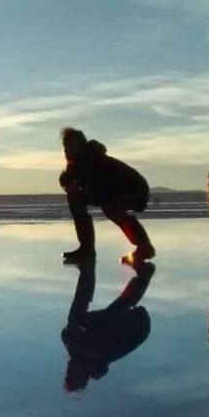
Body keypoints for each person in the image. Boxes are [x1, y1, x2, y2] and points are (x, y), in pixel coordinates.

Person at [59, 127, 155, 265]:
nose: (67, 150)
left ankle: (144, 247)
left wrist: (78, 185)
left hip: (134, 189)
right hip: (111, 191)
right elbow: (73, 181)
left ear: (81, 146)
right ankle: (87, 248)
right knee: (76, 198)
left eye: (71, 146)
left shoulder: (93, 159)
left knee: (110, 208)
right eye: (65, 147)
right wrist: (70, 184)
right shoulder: (76, 166)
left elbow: (95, 181)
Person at [61, 260, 155, 392]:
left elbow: (72, 336)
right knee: (77, 319)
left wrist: (72, 333)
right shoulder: (89, 355)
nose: (68, 370)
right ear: (83, 375)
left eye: (67, 374)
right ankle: (86, 269)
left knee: (105, 315)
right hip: (136, 326)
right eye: (71, 374)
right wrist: (73, 330)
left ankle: (144, 274)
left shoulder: (83, 354)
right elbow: (77, 337)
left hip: (132, 327)